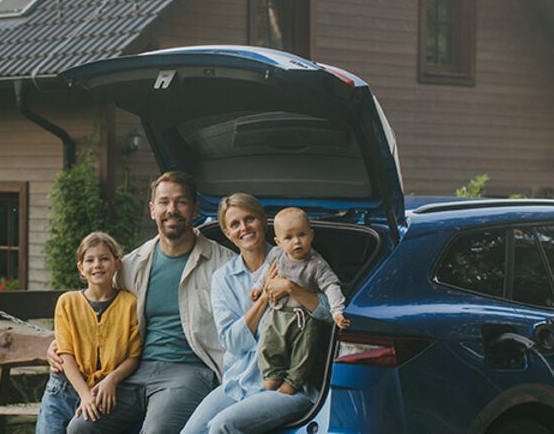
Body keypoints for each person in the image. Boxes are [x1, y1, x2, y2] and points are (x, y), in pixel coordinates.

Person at [55, 171, 235, 434]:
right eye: (164, 202)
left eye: (181, 202)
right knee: (80, 428)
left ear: (195, 209)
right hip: (133, 371)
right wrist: (57, 344)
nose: (171, 210)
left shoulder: (223, 264)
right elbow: (98, 306)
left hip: (190, 371)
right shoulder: (132, 264)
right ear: (152, 210)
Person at [180, 195, 328, 434]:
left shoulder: (298, 259)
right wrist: (262, 298)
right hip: (240, 381)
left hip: (290, 386)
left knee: (222, 426)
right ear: (228, 234)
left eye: (250, 219)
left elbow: (327, 313)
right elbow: (232, 342)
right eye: (235, 224)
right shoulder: (223, 278)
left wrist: (291, 288)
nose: (244, 228)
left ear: (263, 221)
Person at [35, 232, 144, 434]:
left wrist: (111, 380)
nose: (97, 265)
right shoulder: (67, 303)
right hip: (63, 392)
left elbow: (133, 356)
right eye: (90, 260)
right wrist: (85, 396)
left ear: (117, 264)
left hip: (107, 393)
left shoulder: (130, 304)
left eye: (104, 259)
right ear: (81, 268)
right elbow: (65, 353)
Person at [254, 207, 350, 393]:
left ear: (311, 235)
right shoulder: (276, 254)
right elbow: (267, 271)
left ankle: (293, 382)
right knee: (269, 342)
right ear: (278, 242)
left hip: (304, 318)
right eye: (289, 238)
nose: (297, 241)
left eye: (302, 235)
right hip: (279, 312)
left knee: (304, 351)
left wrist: (337, 312)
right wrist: (258, 287)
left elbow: (332, 287)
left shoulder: (317, 264)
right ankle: (272, 375)